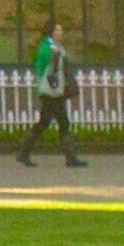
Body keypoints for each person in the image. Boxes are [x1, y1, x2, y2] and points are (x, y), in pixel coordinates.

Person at [16, 16, 85, 168]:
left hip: (53, 91)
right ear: (51, 32)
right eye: (58, 30)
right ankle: (69, 157)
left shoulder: (52, 47)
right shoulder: (50, 49)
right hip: (52, 92)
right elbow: (46, 69)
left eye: (61, 30)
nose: (61, 33)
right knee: (53, 123)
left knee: (54, 123)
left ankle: (25, 153)